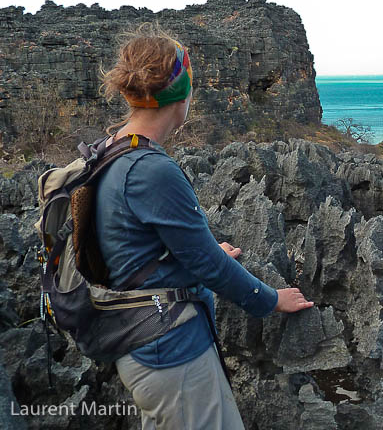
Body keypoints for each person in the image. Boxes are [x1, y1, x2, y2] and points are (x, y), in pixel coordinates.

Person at [95, 25, 314, 429]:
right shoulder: (151, 170)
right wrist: (270, 299)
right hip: (170, 352)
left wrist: (200, 256)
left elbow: (129, 244)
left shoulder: (112, 150)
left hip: (140, 340)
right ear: (182, 94)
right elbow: (210, 267)